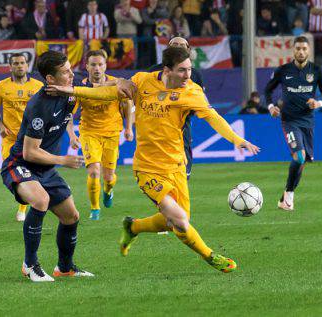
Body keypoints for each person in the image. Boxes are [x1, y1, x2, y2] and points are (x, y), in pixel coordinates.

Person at [47, 47, 260, 273]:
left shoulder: (192, 92)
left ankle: (133, 226)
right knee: (179, 220)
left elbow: (213, 117)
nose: (188, 75)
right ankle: (210, 256)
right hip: (147, 168)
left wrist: (237, 139)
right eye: (182, 70)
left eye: (189, 69)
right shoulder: (143, 82)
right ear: (167, 70)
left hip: (176, 165)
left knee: (177, 220)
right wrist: (70, 90)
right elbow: (106, 94)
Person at [0, 50, 94, 282]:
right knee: (40, 200)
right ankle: (30, 264)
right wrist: (64, 160)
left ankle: (65, 267)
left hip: (45, 169)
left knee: (71, 216)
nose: (72, 74)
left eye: (71, 69)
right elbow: (30, 152)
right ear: (50, 79)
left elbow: (69, 114)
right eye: (65, 72)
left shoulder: (70, 95)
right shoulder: (38, 105)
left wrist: (71, 134)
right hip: (20, 164)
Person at [264, 36, 322, 211]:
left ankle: (285, 198)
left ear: (309, 50)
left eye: (304, 49)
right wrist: (271, 106)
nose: (301, 52)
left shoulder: (316, 70)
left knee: (302, 162)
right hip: (289, 121)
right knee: (299, 157)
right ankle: (289, 196)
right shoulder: (283, 70)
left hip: (308, 122)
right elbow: (267, 90)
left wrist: (318, 104)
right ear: (293, 50)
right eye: (298, 49)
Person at [67, 50, 134, 221]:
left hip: (112, 133)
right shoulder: (80, 87)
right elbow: (68, 114)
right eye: (93, 65)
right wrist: (72, 135)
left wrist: (128, 128)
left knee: (109, 177)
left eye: (100, 64)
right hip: (89, 133)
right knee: (94, 171)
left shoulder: (116, 84)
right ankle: (95, 209)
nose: (97, 68)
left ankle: (108, 190)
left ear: (105, 66)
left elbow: (128, 105)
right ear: (87, 66)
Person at [0, 53, 44, 222]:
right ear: (10, 67)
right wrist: (0, 124)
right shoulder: (2, 86)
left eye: (22, 63)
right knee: (10, 172)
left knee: (29, 172)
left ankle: (22, 209)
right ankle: (27, 199)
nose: (20, 66)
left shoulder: (38, 86)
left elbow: (45, 110)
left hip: (31, 139)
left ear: (27, 66)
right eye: (16, 63)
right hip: (11, 138)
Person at [148, 37, 204, 180]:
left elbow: (199, 102)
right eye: (175, 45)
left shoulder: (195, 75)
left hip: (181, 126)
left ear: (188, 50)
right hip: (155, 126)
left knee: (182, 176)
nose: (178, 48)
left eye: (182, 45)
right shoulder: (152, 72)